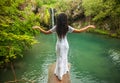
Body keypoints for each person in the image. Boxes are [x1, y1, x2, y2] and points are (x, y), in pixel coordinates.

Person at [32, 13, 95, 81]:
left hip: (59, 45)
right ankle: (64, 70)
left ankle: (59, 75)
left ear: (58, 20)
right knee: (64, 57)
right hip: (65, 45)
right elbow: (79, 31)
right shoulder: (67, 27)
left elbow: (46, 32)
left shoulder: (56, 27)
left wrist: (38, 28)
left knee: (59, 59)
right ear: (65, 20)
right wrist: (88, 27)